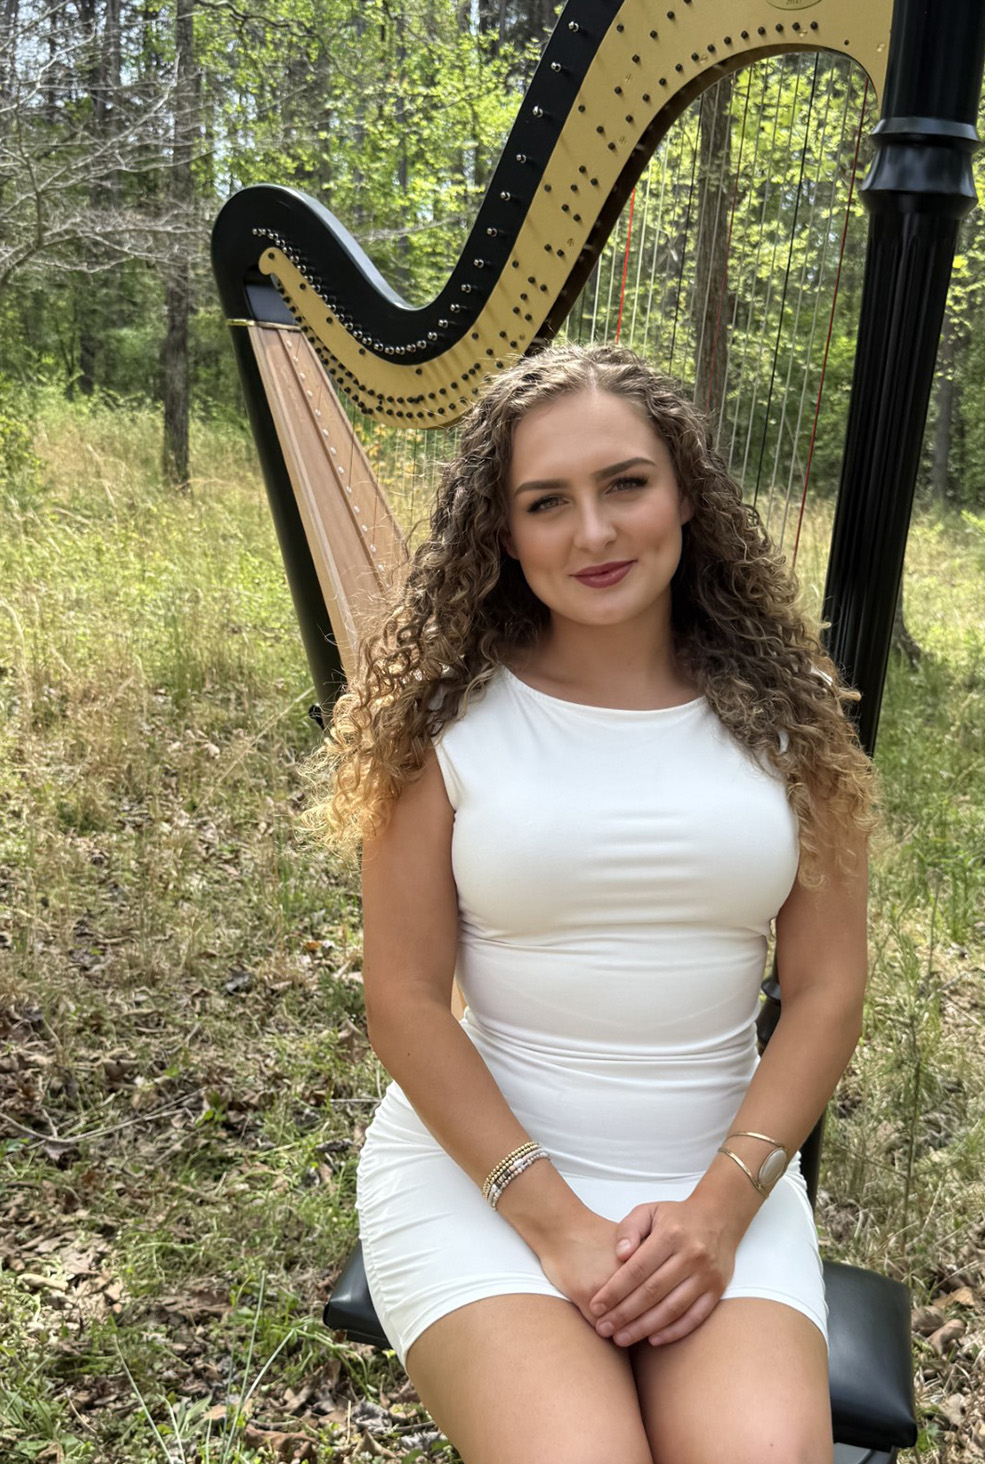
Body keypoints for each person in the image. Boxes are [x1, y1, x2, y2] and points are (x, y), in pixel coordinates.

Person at [307, 344, 876, 1464]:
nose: (596, 532)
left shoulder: (794, 713)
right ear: (502, 533)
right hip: (486, 1172)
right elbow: (405, 1001)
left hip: (720, 1179)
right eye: (547, 502)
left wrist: (721, 1210)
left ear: (685, 494)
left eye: (627, 483)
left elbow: (825, 990)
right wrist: (556, 1224)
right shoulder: (440, 721)